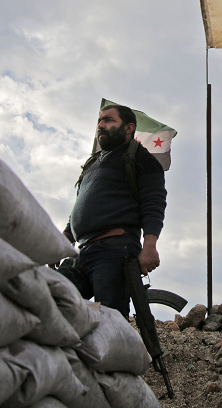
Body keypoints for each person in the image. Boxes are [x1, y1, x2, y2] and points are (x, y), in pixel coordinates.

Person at [57, 104, 167, 318]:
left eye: (108, 120)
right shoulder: (92, 164)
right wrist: (62, 240)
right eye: (99, 121)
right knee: (52, 301)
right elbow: (81, 206)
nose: (100, 125)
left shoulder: (142, 160)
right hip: (82, 251)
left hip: (115, 250)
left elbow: (154, 203)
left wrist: (150, 246)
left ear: (128, 128)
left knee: (110, 318)